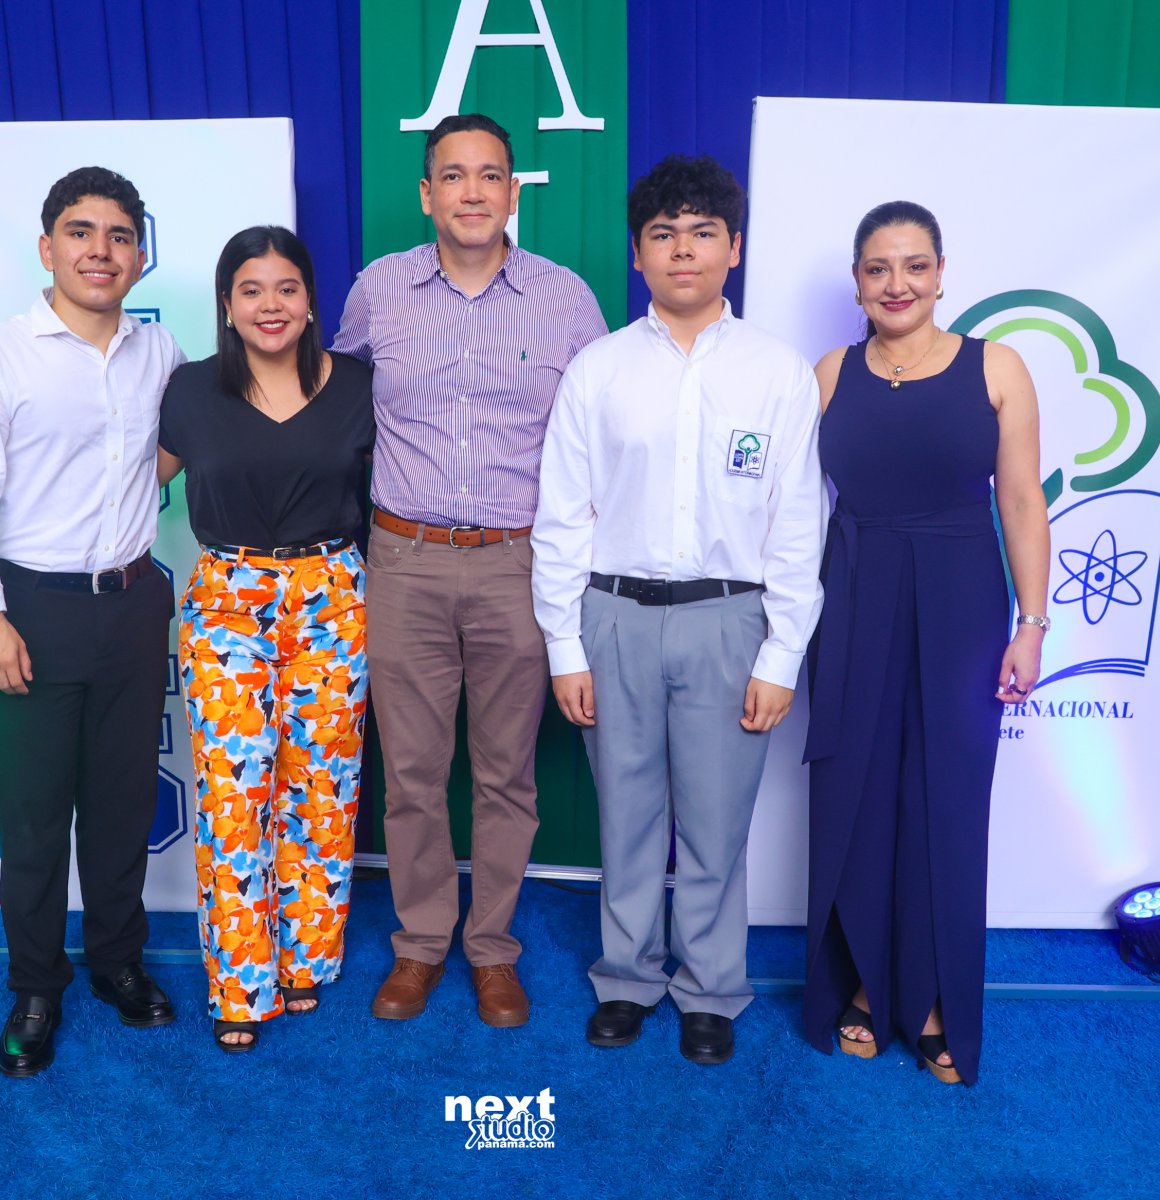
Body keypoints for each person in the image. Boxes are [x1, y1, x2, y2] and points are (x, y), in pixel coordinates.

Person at [532, 155, 827, 1065]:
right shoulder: (599, 370)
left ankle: (708, 989)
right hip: (614, 616)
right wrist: (564, 645)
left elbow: (796, 523)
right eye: (663, 234)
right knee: (626, 816)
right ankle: (626, 979)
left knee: (715, 820)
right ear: (638, 253)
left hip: (730, 622)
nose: (683, 250)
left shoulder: (778, 373)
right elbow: (564, 515)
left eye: (703, 232)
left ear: (733, 248)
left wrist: (781, 655)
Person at [333, 113, 608, 1028]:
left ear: (513, 192)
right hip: (403, 560)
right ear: (427, 194)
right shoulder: (379, 290)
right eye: (453, 175)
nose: (473, 192)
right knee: (412, 773)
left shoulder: (565, 298)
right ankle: (419, 945)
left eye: (490, 175)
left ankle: (491, 950)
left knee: (505, 775)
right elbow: (332, 405)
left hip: (517, 564)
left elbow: (599, 435)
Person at [0, 166, 186, 1078]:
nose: (100, 251)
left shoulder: (160, 352)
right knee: (36, 818)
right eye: (81, 233)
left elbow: (161, 456)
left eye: (119, 235)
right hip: (31, 609)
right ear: (47, 248)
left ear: (140, 255)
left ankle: (117, 962)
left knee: (121, 805)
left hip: (134, 603)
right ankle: (37, 985)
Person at [801, 200, 1050, 1085]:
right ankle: (868, 983)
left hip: (961, 599)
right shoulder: (831, 372)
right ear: (858, 282)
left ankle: (937, 998)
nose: (896, 284)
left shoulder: (998, 366)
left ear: (941, 274)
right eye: (878, 268)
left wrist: (1032, 623)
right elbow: (792, 507)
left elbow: (1021, 500)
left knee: (946, 800)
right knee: (856, 792)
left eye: (914, 266)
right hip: (853, 593)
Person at [157, 226, 375, 1054]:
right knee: (233, 794)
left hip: (333, 597)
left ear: (311, 300)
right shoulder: (188, 391)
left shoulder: (357, 385)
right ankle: (241, 985)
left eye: (287, 287)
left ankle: (306, 961)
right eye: (251, 290)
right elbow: (126, 481)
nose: (270, 305)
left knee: (323, 787)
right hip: (228, 599)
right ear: (227, 305)